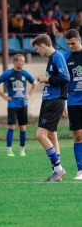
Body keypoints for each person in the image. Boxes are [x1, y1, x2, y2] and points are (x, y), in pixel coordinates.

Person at [30, 34, 70, 182]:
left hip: (53, 101)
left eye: (36, 48)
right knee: (52, 135)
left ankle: (58, 169)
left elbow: (65, 78)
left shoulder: (57, 57)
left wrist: (46, 79)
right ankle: (56, 171)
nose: (36, 52)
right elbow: (59, 80)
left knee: (40, 135)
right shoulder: (52, 59)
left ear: (42, 46)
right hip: (51, 99)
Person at [0, 54, 37, 156]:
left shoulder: (25, 73)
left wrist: (29, 94)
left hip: (23, 104)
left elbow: (35, 83)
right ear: (15, 62)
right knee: (11, 127)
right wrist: (3, 96)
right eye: (21, 61)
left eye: (23, 61)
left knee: (23, 127)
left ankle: (22, 150)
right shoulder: (8, 73)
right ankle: (9, 150)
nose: (22, 63)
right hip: (12, 105)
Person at [63, 29, 82, 180]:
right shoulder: (64, 57)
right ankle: (81, 170)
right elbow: (62, 82)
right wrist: (62, 102)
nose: (70, 46)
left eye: (73, 43)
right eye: (68, 44)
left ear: (79, 40)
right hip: (74, 101)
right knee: (78, 135)